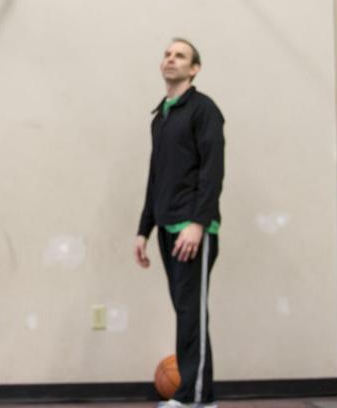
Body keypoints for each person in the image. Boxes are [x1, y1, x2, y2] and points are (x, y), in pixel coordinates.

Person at [134, 38, 225, 408]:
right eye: (168, 54)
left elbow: (213, 171)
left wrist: (198, 223)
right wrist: (144, 229)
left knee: (191, 312)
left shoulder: (204, 110)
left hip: (193, 230)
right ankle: (194, 394)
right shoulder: (163, 116)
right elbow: (157, 177)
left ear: (195, 68)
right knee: (185, 311)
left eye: (180, 56)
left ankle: (196, 398)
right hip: (168, 228)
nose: (171, 59)